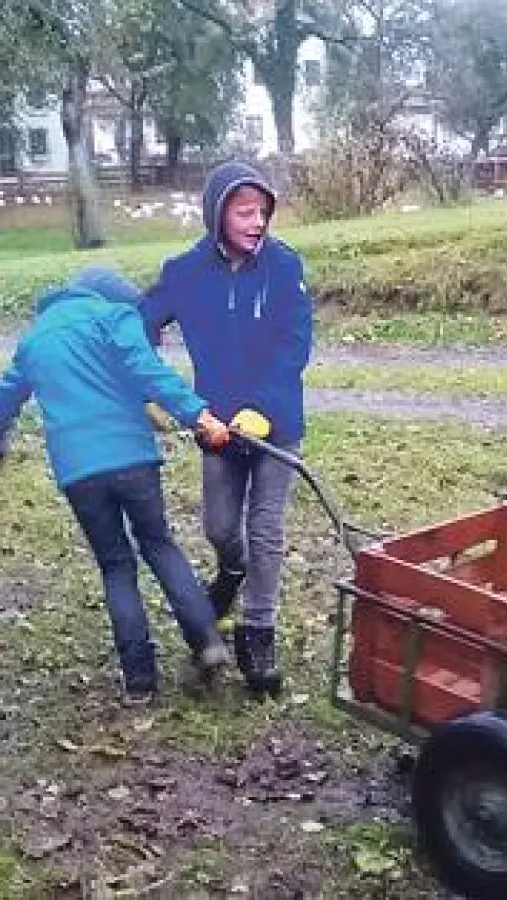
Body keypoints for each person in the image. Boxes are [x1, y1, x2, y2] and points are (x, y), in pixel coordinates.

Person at [0, 267, 233, 706]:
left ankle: (139, 682)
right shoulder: (113, 318)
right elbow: (148, 371)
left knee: (116, 565)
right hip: (133, 459)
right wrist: (199, 415)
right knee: (160, 546)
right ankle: (207, 641)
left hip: (79, 473)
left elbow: (2, 399)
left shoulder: (35, 340)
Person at [140, 161, 314, 700]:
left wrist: (263, 406)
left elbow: (294, 343)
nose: (257, 221)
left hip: (274, 424)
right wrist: (153, 389)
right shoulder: (185, 272)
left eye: (262, 211)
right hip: (215, 427)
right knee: (219, 528)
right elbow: (138, 323)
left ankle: (258, 632)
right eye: (244, 212)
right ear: (218, 215)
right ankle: (231, 572)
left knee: (266, 528)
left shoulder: (284, 267)